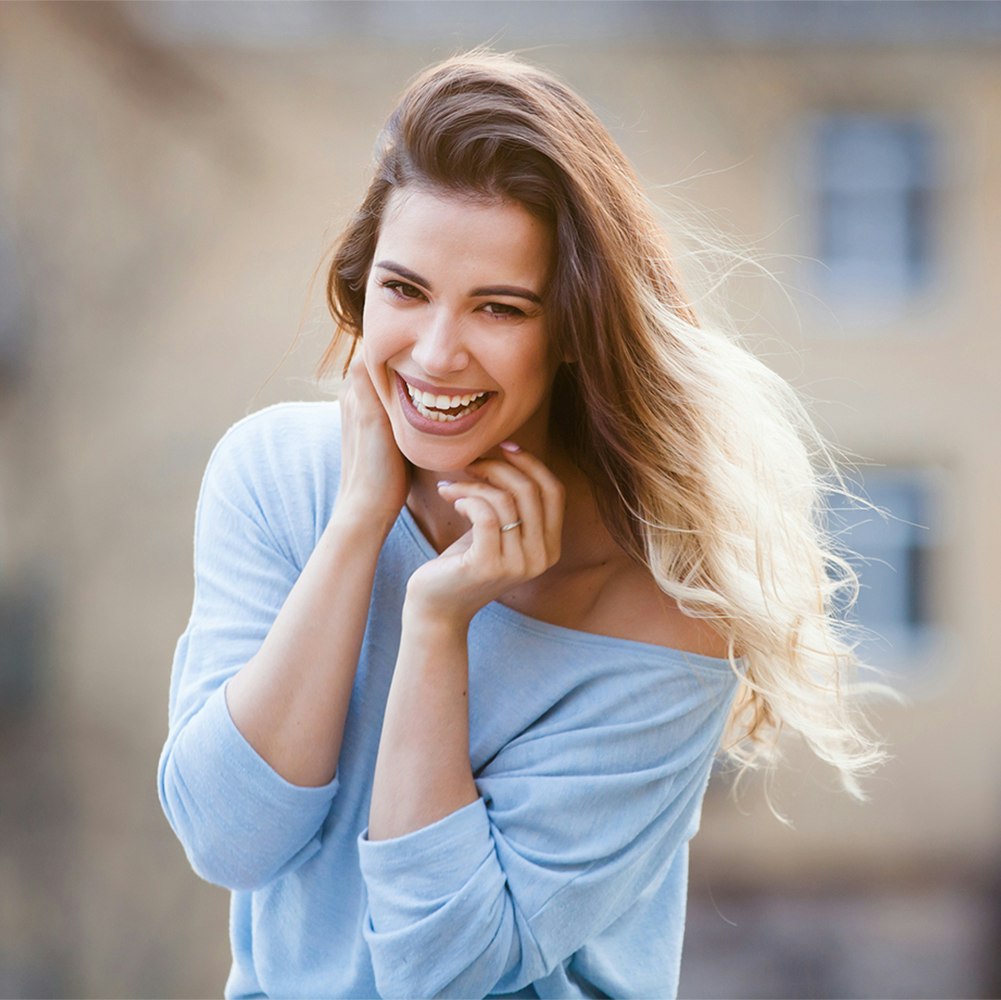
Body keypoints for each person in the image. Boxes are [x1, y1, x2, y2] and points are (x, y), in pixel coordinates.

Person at [158, 50, 883, 999]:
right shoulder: (273, 477)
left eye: (498, 307)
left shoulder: (664, 610)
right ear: (359, 283)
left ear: (575, 329)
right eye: (404, 290)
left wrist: (437, 624)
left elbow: (443, 971)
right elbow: (227, 840)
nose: (435, 352)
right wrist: (355, 528)